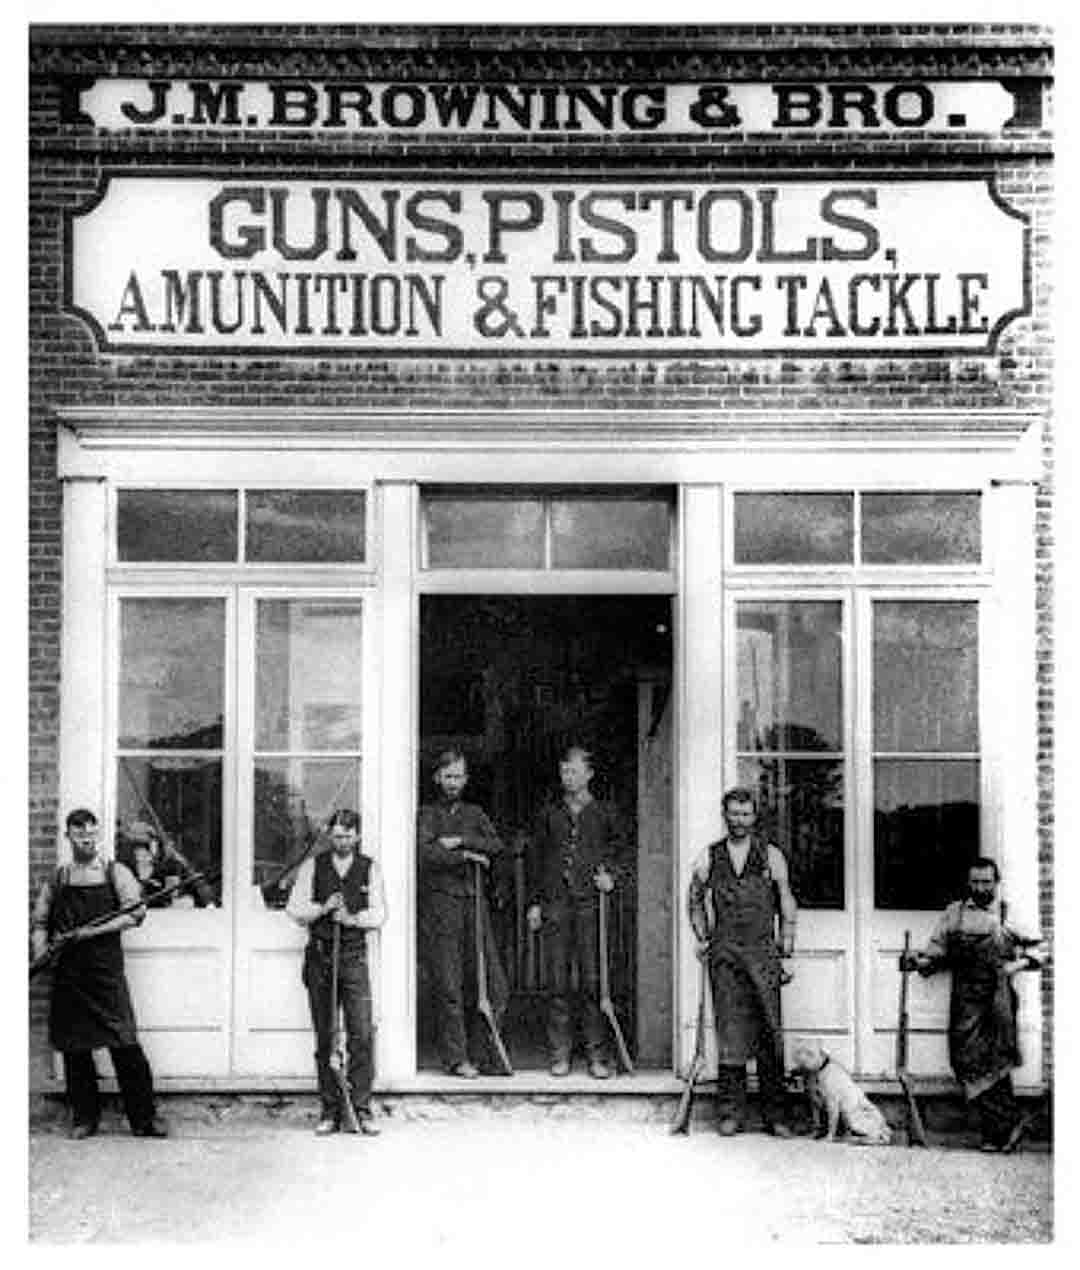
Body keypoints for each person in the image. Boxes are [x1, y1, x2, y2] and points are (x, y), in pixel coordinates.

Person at [30, 808, 168, 1139]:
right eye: (80, 835)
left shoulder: (114, 872)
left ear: (98, 835)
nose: (87, 840)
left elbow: (136, 914)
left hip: (104, 973)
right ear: (69, 837)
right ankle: (84, 1118)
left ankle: (143, 1119)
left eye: (91, 834)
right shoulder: (59, 878)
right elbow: (40, 922)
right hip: (68, 974)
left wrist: (89, 933)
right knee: (76, 1049)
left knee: (125, 1044)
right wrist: (41, 951)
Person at [903, 857, 1046, 1153]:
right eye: (975, 882)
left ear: (996, 883)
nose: (981, 887)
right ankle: (1010, 1122)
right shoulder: (954, 914)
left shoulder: (1008, 914)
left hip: (998, 997)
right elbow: (936, 952)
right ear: (968, 883)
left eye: (986, 882)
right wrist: (918, 962)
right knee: (964, 1059)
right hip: (965, 998)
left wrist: (1015, 966)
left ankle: (997, 1133)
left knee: (995, 1057)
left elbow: (1042, 950)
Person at [688, 787, 798, 1136]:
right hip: (725, 954)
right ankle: (730, 1114)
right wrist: (703, 937)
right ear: (725, 815)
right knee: (730, 1032)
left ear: (755, 816)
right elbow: (693, 900)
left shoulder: (771, 856)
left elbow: (786, 901)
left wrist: (787, 947)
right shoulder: (709, 856)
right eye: (734, 814)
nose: (740, 820)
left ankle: (775, 1115)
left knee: (769, 1031)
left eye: (746, 814)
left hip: (763, 952)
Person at [527, 745, 629, 1079]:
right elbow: (536, 860)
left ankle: (597, 1056)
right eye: (563, 771)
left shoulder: (605, 812)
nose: (566, 777)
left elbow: (621, 851)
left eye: (572, 770)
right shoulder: (549, 814)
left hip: (590, 905)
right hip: (556, 903)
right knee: (557, 981)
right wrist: (535, 902)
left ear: (589, 774)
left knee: (593, 981)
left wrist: (610, 875)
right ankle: (560, 1054)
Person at [286, 809, 387, 1136]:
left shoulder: (369, 868)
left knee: (361, 1033)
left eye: (347, 835)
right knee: (326, 1035)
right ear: (330, 835)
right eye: (336, 835)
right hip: (320, 957)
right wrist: (323, 909)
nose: (341, 841)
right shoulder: (313, 866)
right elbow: (295, 910)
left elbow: (380, 913)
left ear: (357, 836)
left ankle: (361, 1107)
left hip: (354, 958)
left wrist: (353, 919)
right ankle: (329, 1110)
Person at [417, 748, 509, 1077]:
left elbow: (497, 846)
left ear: (466, 778)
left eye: (459, 776)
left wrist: (458, 841)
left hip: (475, 904)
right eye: (448, 776)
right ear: (437, 778)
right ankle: (456, 1058)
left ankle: (485, 1053)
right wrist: (467, 857)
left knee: (493, 984)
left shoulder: (475, 813)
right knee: (450, 985)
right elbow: (426, 855)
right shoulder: (427, 814)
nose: (453, 782)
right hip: (442, 907)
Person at [116, 819, 216, 907]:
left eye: (145, 846)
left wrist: (205, 903)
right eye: (135, 847)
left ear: (155, 845)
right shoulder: (122, 869)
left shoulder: (172, 865)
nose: (140, 853)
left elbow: (199, 887)